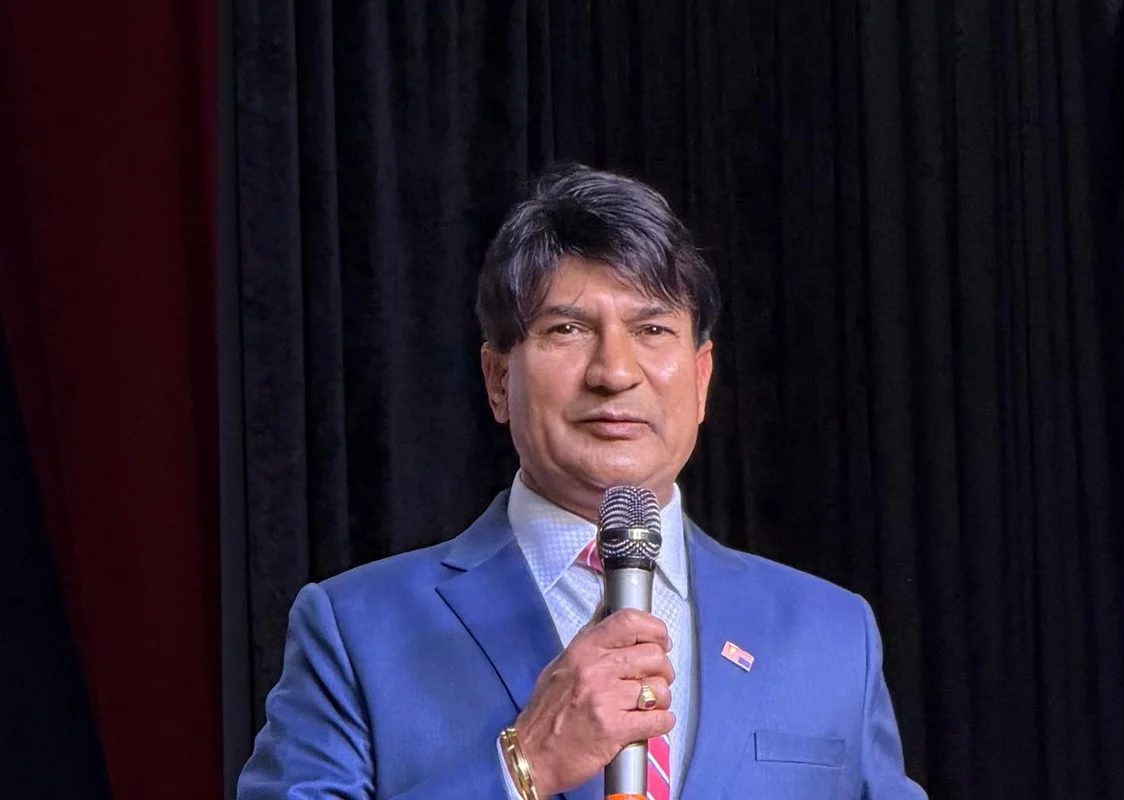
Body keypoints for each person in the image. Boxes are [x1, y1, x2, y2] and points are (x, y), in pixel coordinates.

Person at [237, 164, 927, 799]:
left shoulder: (833, 634)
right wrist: (522, 767)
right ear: (498, 379)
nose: (614, 372)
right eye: (567, 329)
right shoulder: (355, 630)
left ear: (701, 378)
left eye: (652, 329)